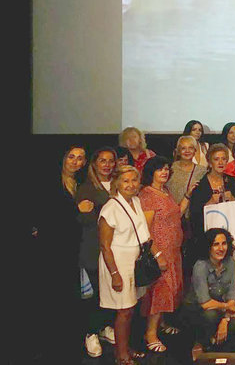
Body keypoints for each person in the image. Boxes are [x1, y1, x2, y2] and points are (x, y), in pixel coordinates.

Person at [98, 165, 167, 365]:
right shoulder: (110, 208)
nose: (130, 185)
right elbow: (104, 245)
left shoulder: (136, 201)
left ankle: (126, 348)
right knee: (124, 310)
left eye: (134, 180)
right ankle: (121, 356)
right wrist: (115, 274)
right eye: (126, 181)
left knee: (131, 308)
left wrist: (159, 256)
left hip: (134, 262)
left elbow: (145, 236)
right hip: (117, 262)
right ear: (117, 183)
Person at [32, 146, 87, 360]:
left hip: (73, 248)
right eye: (71, 157)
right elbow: (47, 215)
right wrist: (76, 210)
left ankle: (65, 344)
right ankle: (47, 346)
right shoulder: (49, 182)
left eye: (80, 158)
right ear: (64, 158)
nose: (75, 162)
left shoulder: (81, 185)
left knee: (68, 298)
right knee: (50, 297)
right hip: (51, 248)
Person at [139, 156, 185, 352]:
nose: (164, 172)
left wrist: (188, 197)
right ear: (151, 172)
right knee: (160, 292)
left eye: (166, 169)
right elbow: (145, 230)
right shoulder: (147, 195)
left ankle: (162, 323)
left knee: (170, 290)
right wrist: (157, 255)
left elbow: (176, 214)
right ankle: (150, 334)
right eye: (160, 169)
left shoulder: (165, 191)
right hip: (160, 252)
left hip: (173, 251)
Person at [76, 147, 117, 356]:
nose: (107, 165)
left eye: (111, 161)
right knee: (94, 295)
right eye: (102, 160)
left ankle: (104, 327)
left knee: (110, 291)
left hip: (117, 249)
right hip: (93, 248)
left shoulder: (120, 185)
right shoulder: (87, 188)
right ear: (94, 164)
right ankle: (91, 333)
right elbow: (84, 219)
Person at [181, 228, 235, 358]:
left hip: (220, 306)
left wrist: (225, 320)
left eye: (224, 243)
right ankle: (201, 343)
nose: (221, 248)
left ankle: (220, 346)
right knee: (210, 315)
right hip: (197, 309)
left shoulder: (231, 263)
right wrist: (227, 307)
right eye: (216, 244)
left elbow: (232, 294)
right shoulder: (200, 266)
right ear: (208, 247)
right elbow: (205, 303)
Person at [189, 144, 235, 238]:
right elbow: (194, 215)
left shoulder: (231, 181)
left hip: (229, 231)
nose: (220, 162)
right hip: (207, 235)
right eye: (216, 159)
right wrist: (210, 203)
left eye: (223, 159)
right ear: (210, 163)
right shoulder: (201, 184)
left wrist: (233, 198)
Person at [168, 135, 207, 206]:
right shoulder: (170, 168)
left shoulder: (202, 171)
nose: (187, 151)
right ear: (178, 151)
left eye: (190, 148)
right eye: (183, 148)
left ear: (195, 150)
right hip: (171, 211)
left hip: (192, 213)